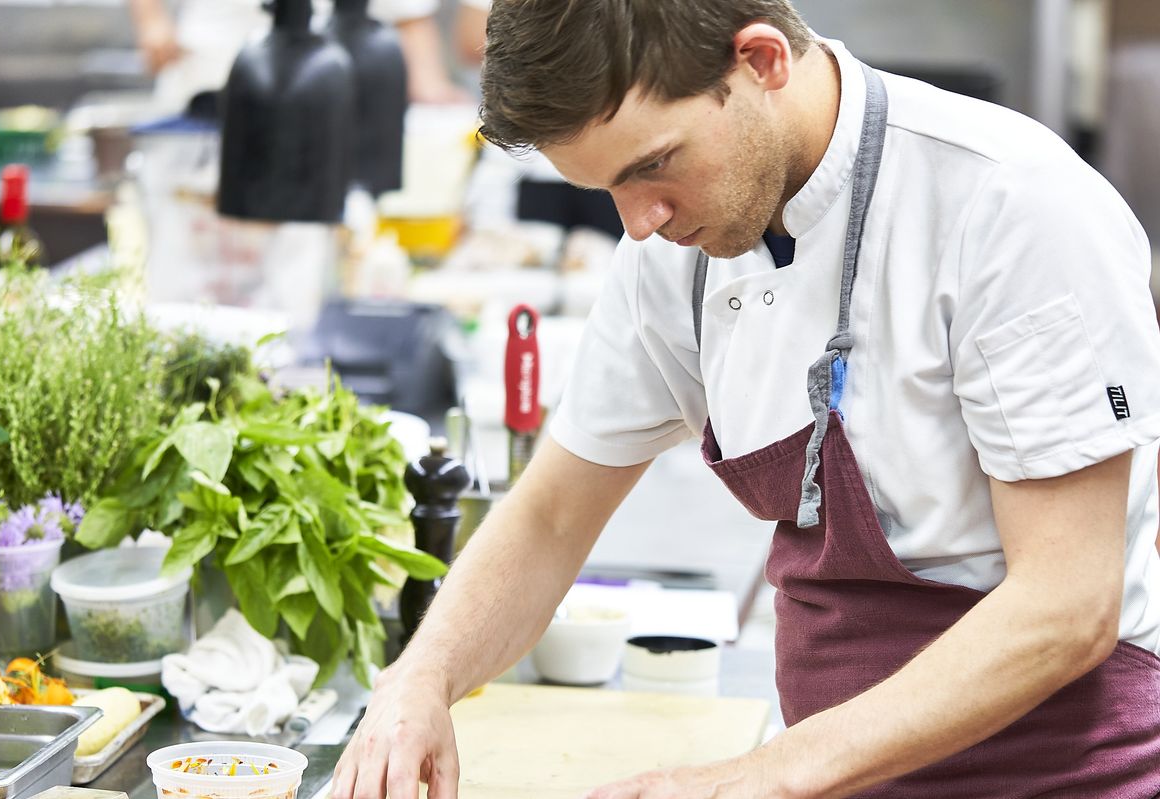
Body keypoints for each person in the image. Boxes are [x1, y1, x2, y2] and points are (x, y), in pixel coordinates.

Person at [334, 1, 1160, 796]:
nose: (641, 223)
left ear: (761, 60)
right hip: (833, 773)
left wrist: (763, 773)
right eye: (606, 191)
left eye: (652, 166)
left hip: (1059, 773)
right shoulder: (673, 246)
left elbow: (1066, 604)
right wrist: (421, 677)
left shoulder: (1012, 205)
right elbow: (552, 513)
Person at [126, 0, 473, 113]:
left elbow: (408, 16)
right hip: (206, 86)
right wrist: (151, 19)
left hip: (321, 97)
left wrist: (432, 87)